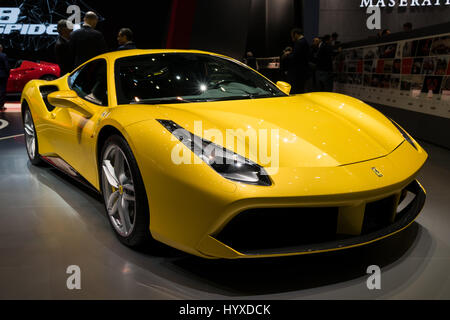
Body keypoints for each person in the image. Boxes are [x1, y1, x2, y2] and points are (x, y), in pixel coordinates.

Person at [283, 28, 310, 94]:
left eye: (292, 35)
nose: (292, 37)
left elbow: (295, 57)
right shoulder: (304, 41)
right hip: (302, 70)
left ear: (296, 34)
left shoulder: (300, 42)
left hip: (297, 72)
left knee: (296, 90)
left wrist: (287, 55)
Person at [0, 44, 10, 111]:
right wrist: (8, 74)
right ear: (1, 48)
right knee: (2, 90)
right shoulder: (3, 55)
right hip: (2, 75)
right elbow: (6, 66)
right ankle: (1, 106)